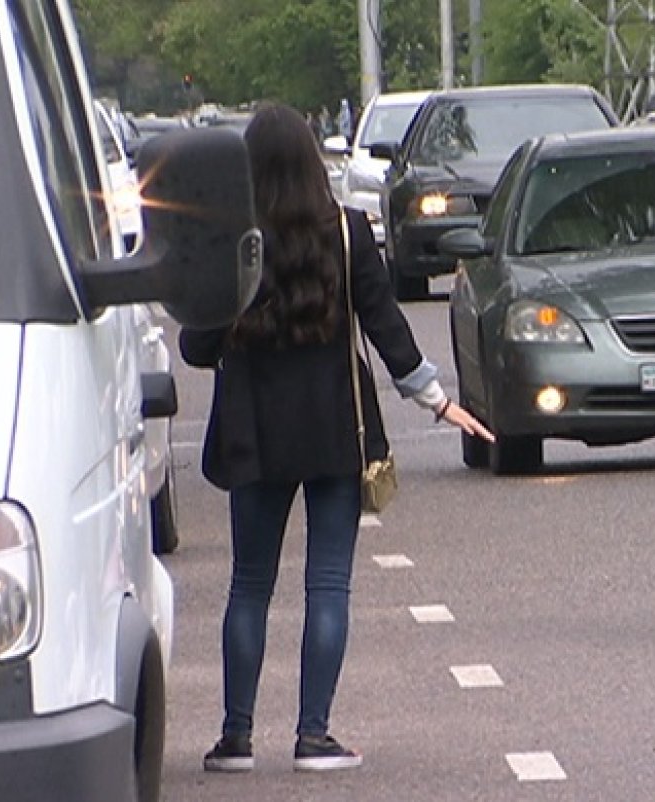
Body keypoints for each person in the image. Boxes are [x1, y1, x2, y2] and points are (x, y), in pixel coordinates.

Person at [180, 102, 493, 774]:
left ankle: (235, 739)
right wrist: (440, 404)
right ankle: (313, 736)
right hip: (334, 430)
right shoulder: (347, 234)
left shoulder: (235, 240)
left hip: (252, 435)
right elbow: (387, 331)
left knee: (248, 586)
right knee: (328, 585)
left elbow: (196, 345)